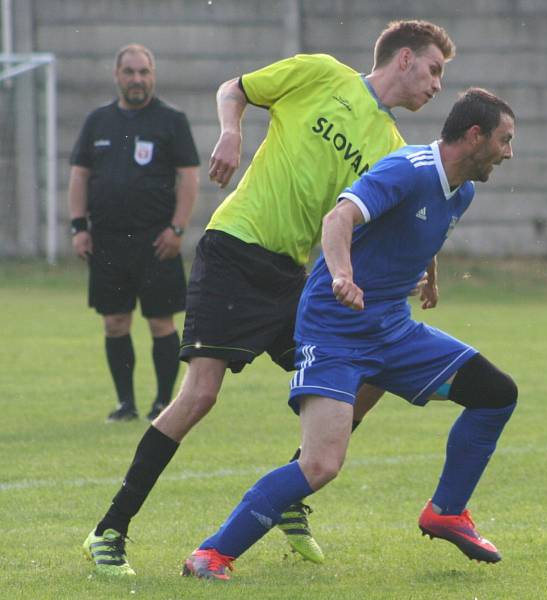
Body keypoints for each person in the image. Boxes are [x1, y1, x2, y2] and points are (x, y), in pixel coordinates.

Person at [81, 20, 456, 577]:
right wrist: (231, 131)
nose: (437, 85)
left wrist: (427, 269)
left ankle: (292, 491)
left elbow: (400, 217)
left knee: (368, 372)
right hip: (235, 248)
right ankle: (109, 531)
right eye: (434, 69)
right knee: (199, 396)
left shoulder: (392, 147)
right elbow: (235, 89)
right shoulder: (322, 74)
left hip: (295, 279)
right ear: (404, 59)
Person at [181, 88, 517, 581]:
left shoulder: (461, 189)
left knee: (496, 393)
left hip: (393, 332)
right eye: (505, 140)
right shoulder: (407, 168)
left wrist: (431, 276)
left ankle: (446, 512)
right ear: (474, 135)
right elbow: (339, 217)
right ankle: (211, 554)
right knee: (320, 465)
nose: (508, 153)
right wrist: (342, 274)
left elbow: (421, 229)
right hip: (334, 329)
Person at [67, 44, 199, 423]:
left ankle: (162, 403)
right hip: (107, 241)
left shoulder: (171, 120)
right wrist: (79, 227)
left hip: (156, 241)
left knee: (161, 322)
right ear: (117, 76)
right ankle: (126, 404)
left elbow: (189, 178)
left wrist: (177, 228)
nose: (137, 79)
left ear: (153, 75)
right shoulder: (98, 121)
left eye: (144, 72)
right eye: (130, 72)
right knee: (115, 322)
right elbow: (79, 175)